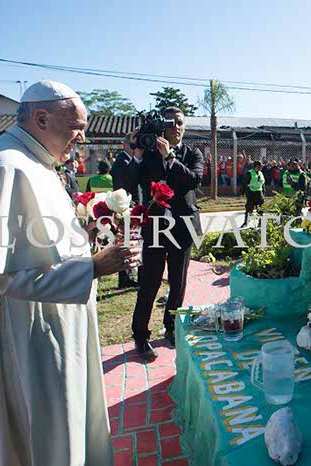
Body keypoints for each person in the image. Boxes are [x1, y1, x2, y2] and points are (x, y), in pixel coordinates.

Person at [0, 80, 140, 465]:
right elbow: (6, 276)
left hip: (35, 321)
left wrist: (82, 238)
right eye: (76, 128)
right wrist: (94, 267)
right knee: (36, 432)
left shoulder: (31, 160)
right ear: (41, 118)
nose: (82, 138)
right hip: (21, 330)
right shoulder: (6, 168)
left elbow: (32, 242)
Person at [132, 106, 203, 362]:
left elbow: (194, 180)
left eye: (180, 122)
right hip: (155, 227)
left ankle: (172, 328)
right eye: (170, 123)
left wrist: (171, 157)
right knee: (149, 283)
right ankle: (140, 336)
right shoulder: (149, 153)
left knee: (177, 282)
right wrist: (136, 154)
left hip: (182, 228)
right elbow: (129, 181)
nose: (176, 127)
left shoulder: (192, 153)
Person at [110, 132, 142, 289]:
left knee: (132, 241)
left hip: (131, 206)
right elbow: (124, 185)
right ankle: (124, 278)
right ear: (125, 145)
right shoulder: (122, 161)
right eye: (132, 145)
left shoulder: (128, 160)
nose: (134, 148)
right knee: (125, 242)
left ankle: (129, 276)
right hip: (125, 207)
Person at [241, 160, 265, 228]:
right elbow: (244, 183)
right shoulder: (249, 173)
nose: (260, 168)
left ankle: (260, 223)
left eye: (261, 166)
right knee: (249, 208)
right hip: (251, 193)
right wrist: (242, 192)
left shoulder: (261, 173)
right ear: (255, 166)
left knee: (260, 209)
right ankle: (246, 222)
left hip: (259, 193)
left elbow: (263, 184)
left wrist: (263, 192)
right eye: (259, 166)